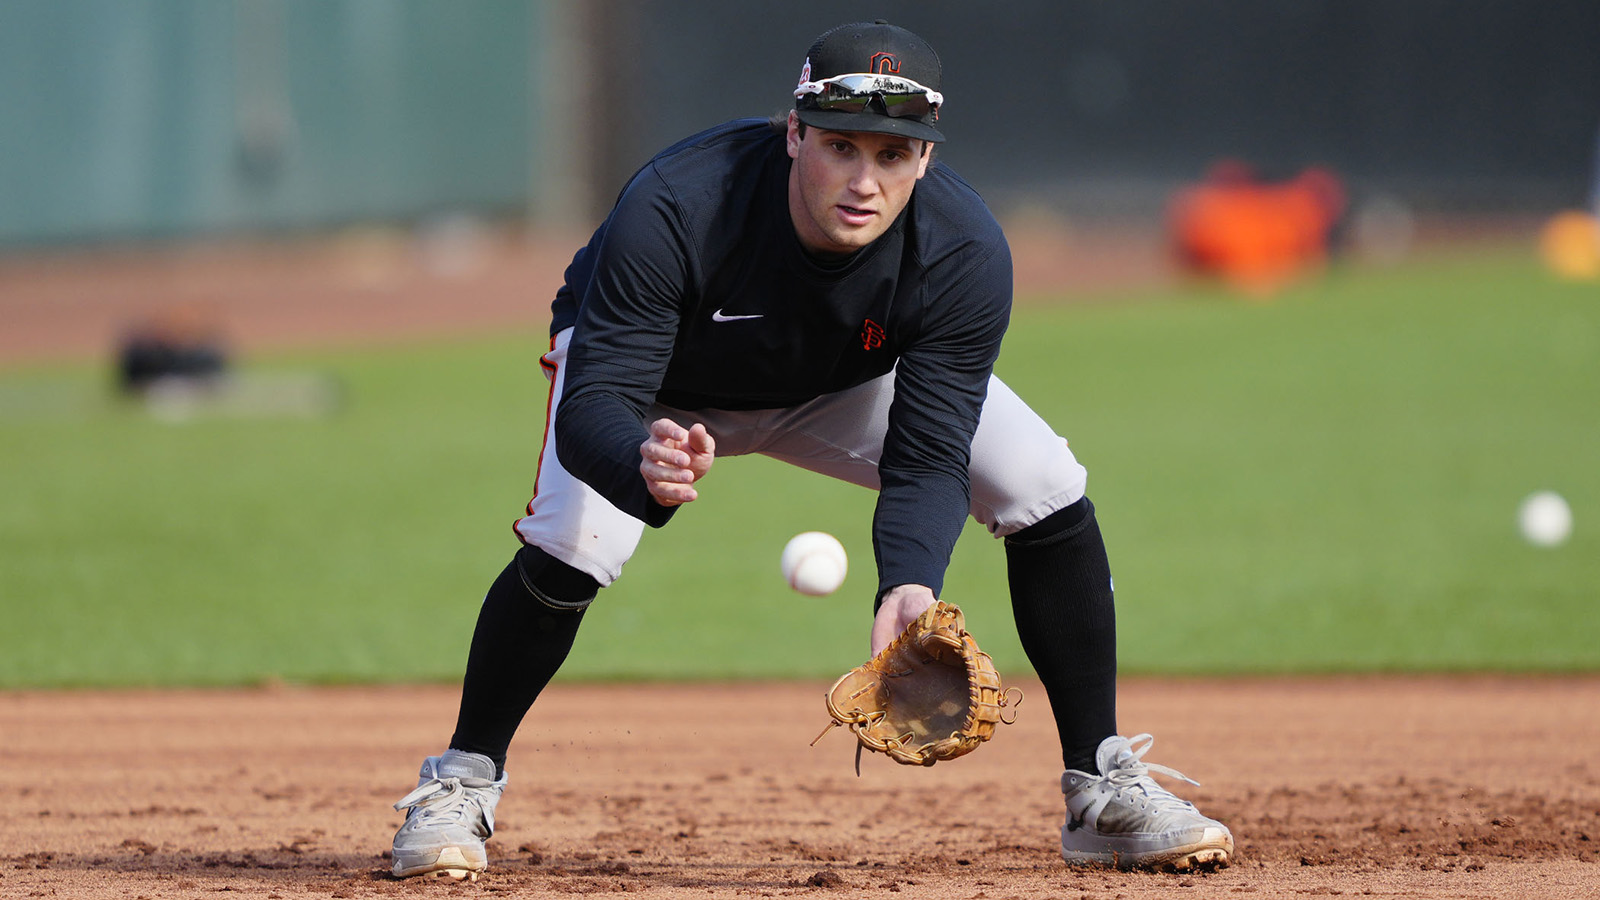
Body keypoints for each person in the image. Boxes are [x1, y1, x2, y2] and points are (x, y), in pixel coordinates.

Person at [388, 20, 1234, 881]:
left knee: (1043, 482)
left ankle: (1102, 790)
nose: (865, 180)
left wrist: (911, 581)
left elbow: (931, 447)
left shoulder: (964, 251)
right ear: (793, 134)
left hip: (842, 382)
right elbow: (597, 398)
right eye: (840, 147)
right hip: (657, 394)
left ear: (926, 162)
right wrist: (639, 461)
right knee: (576, 540)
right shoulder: (682, 203)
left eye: (894, 156)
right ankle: (461, 782)